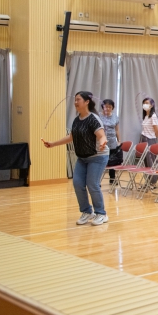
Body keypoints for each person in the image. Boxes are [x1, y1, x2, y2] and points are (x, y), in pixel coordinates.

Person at [42, 91, 109, 226]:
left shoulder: (93, 119)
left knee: (92, 184)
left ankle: (101, 214)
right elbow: (71, 137)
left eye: (78, 99)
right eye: (75, 100)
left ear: (87, 102)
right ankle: (87, 212)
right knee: (78, 183)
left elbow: (102, 135)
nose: (75, 102)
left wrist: (102, 143)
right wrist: (53, 144)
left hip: (97, 157)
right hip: (82, 158)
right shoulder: (77, 120)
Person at [101, 99, 122, 184]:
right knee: (101, 160)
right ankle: (97, 181)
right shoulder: (99, 116)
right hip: (102, 141)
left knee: (112, 161)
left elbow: (117, 130)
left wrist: (119, 140)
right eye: (106, 106)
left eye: (110, 107)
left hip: (112, 141)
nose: (108, 108)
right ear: (103, 107)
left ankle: (112, 179)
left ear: (112, 108)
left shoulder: (115, 117)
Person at [140, 97, 158, 168]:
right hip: (144, 138)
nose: (145, 105)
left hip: (150, 139)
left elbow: (157, 130)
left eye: (147, 103)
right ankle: (148, 174)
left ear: (151, 105)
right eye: (144, 103)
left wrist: (154, 140)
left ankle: (153, 174)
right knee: (145, 159)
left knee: (151, 159)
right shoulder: (146, 116)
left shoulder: (153, 116)